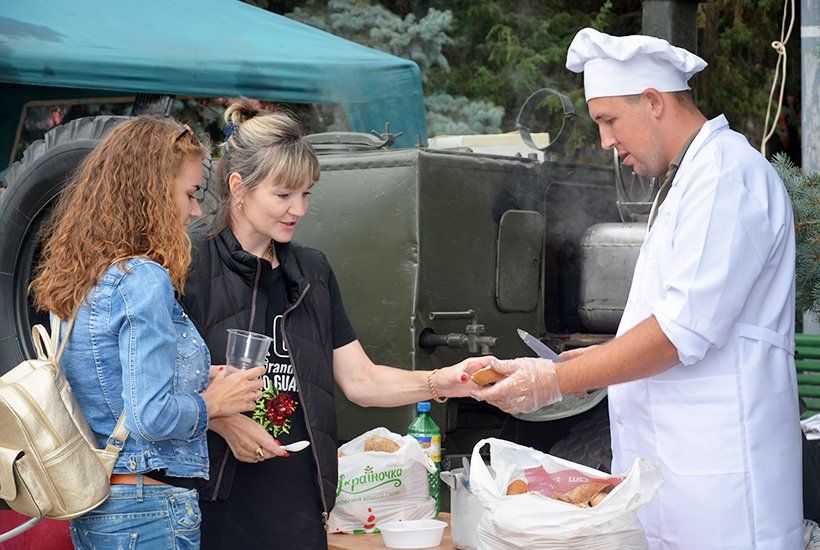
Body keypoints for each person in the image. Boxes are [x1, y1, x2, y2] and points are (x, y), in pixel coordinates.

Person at [473, 28, 803, 548]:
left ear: (653, 101)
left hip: (724, 493)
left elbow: (676, 335)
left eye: (608, 120)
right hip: (677, 483)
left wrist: (556, 380)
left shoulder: (724, 179)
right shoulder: (688, 179)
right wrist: (559, 369)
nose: (605, 141)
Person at [180, 98, 492, 549]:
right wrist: (222, 422)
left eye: (306, 194)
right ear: (239, 187)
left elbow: (361, 380)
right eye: (283, 195)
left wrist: (445, 380)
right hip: (210, 505)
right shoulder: (187, 263)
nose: (299, 210)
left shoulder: (312, 271)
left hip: (298, 507)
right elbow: (147, 386)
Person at [30, 116, 266, 549]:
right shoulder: (142, 278)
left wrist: (194, 379)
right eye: (191, 194)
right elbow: (150, 417)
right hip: (146, 508)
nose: (196, 211)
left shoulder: (81, 275)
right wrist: (212, 403)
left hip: (101, 503)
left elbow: (109, 390)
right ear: (152, 193)